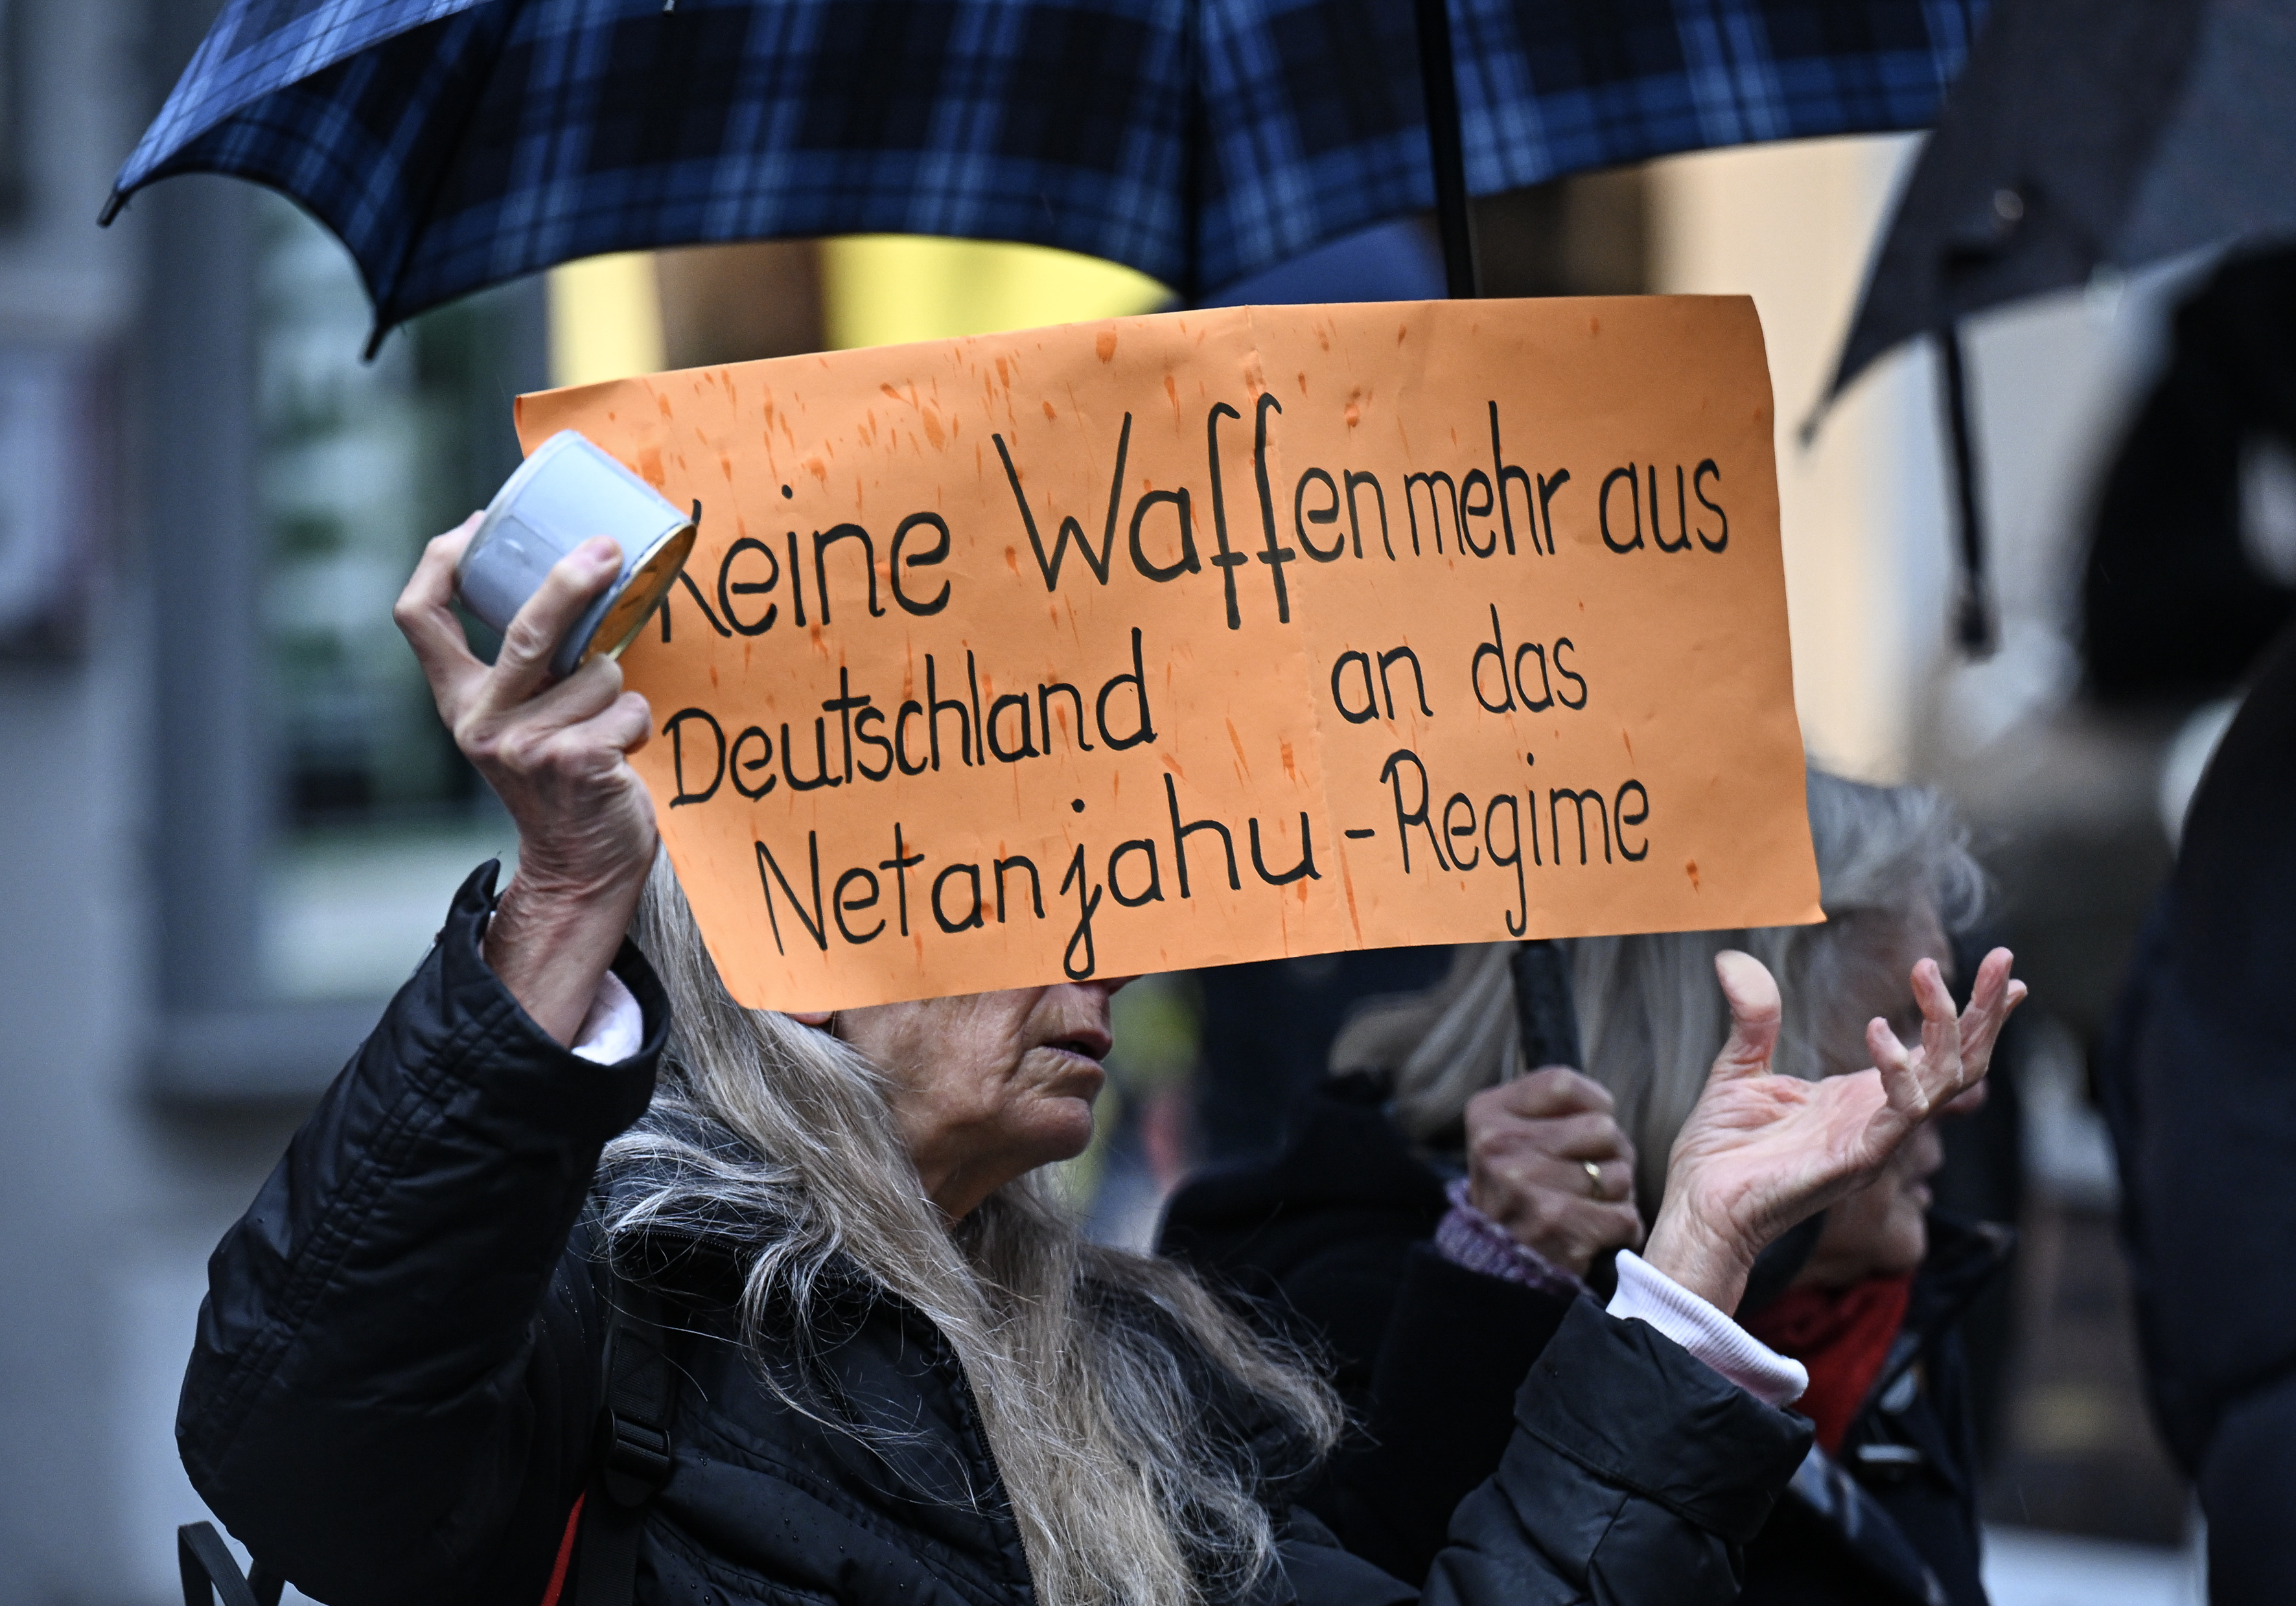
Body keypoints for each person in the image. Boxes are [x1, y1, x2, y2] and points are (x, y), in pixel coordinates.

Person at [176, 523, 2022, 1606]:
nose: (1098, 957)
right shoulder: (620, 1318)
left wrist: (1691, 1266)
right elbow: (296, 1445)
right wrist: (567, 904)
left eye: (1098, 891)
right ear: (796, 949)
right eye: (1007, 893)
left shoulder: (1152, 1382)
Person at [1163, 774, 2014, 1606]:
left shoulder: (1871, 1318)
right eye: (1904, 1022)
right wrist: (1494, 1299)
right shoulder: (1327, 1299)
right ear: (1741, 1034)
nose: (1967, 1091)